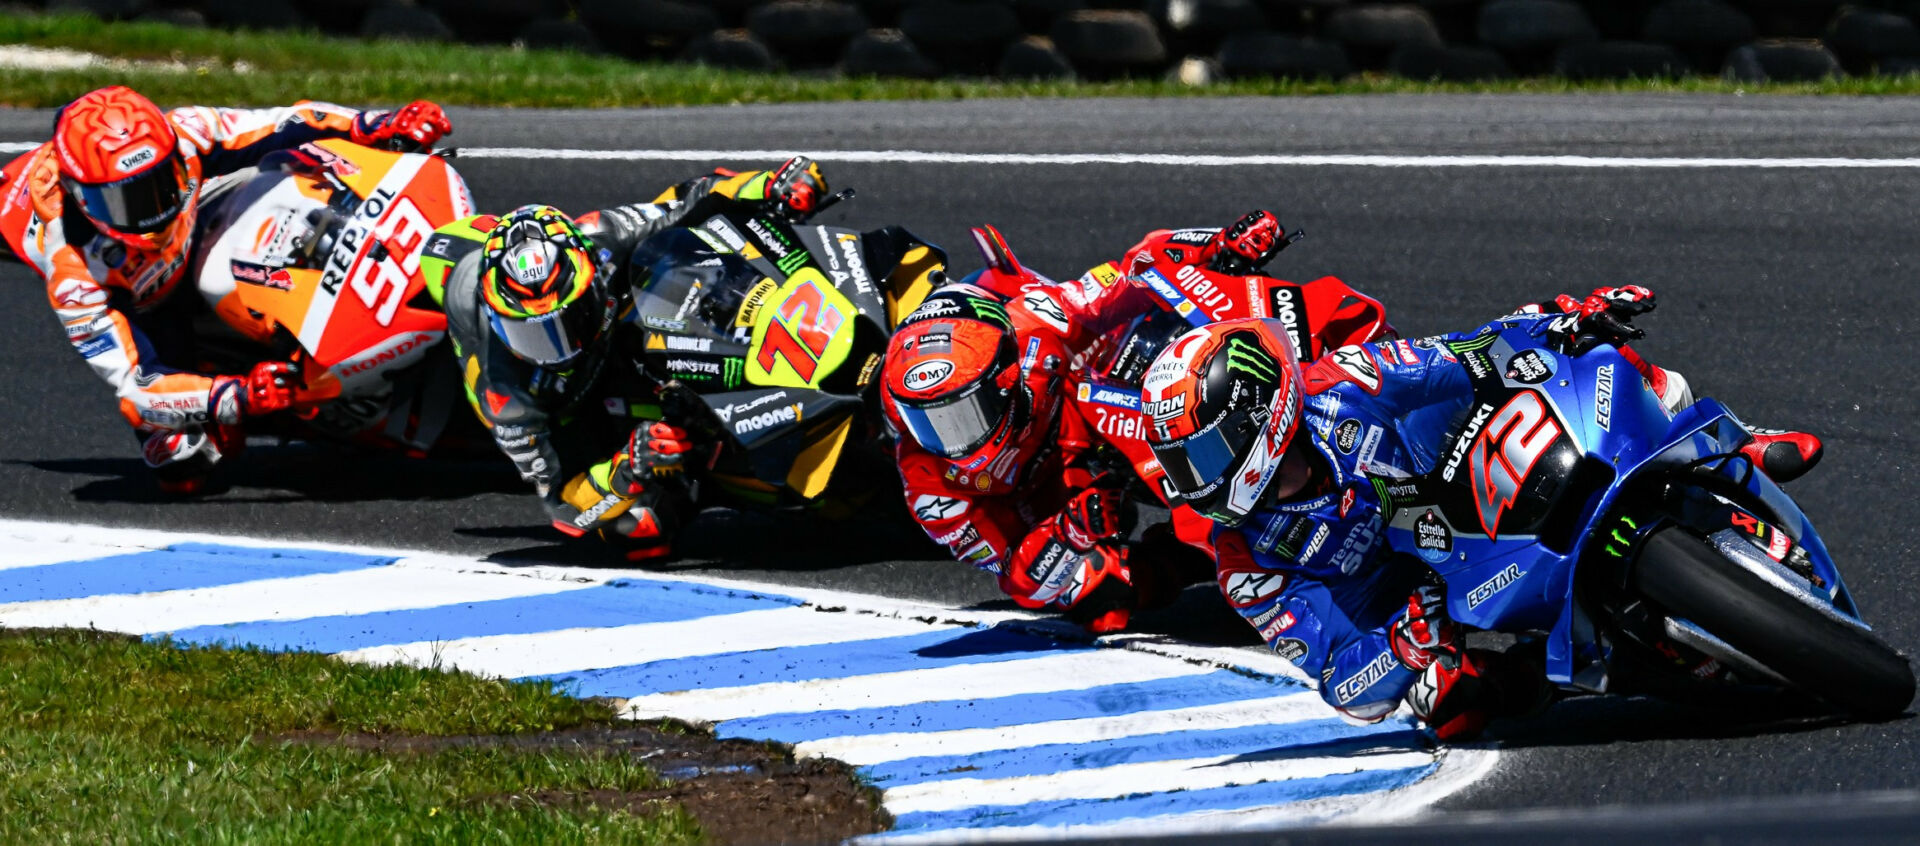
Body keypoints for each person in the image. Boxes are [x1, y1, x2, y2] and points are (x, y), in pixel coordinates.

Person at [1138, 289, 1824, 741]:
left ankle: (1730, 437)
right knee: (1447, 705)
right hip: (1432, 594)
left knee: (1582, 346)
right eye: (1180, 462)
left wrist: (1556, 323)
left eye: (1198, 454)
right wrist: (1404, 643)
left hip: (1471, 480)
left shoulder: (1343, 384)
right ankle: (1578, 677)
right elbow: (1345, 686)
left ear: (1257, 415)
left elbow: (1459, 357)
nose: (1190, 479)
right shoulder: (1245, 565)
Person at [881, 211, 1397, 633]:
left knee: (1182, 311)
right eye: (925, 421)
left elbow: (1133, 270)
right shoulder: (930, 486)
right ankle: (1224, 551)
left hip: (1106, 396)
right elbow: (1019, 578)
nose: (947, 439)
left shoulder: (1036, 322)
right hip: (1061, 505)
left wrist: (1216, 251)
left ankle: (1342, 364)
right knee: (1097, 595)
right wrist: (1071, 529)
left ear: (1005, 377)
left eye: (959, 415)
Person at [0, 86, 452, 493]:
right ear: (83, 198)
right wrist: (235, 397)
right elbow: (138, 388)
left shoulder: (187, 131)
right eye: (125, 201)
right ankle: (281, 391)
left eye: (160, 183)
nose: (151, 210)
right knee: (183, 458)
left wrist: (376, 124)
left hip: (202, 217)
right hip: (149, 307)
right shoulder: (74, 271)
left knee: (311, 163)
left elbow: (285, 122)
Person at [424, 158, 829, 560]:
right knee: (636, 529)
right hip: (578, 416)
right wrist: (626, 465)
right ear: (499, 320)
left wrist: (769, 185)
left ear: (590, 278)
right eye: (531, 333)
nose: (555, 349)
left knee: (698, 236)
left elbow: (692, 197)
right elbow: (563, 508)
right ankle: (715, 469)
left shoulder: (599, 237)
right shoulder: (503, 393)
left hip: (619, 331)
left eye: (568, 320)